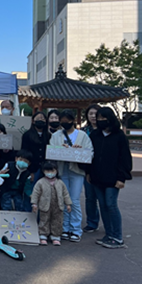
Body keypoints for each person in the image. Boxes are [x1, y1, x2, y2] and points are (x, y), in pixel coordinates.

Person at [88, 107, 133, 249]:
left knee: (111, 205)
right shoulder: (94, 135)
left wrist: (122, 177)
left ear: (110, 118)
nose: (100, 120)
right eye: (98, 117)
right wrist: (88, 172)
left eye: (103, 118)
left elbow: (125, 158)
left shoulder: (119, 136)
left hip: (113, 178)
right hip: (97, 177)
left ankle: (117, 237)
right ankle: (109, 234)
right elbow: (89, 155)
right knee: (102, 205)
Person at [49, 110, 93, 243]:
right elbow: (51, 151)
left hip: (77, 171)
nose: (65, 123)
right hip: (62, 170)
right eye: (62, 120)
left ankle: (76, 229)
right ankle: (65, 227)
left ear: (73, 120)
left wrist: (79, 151)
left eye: (67, 120)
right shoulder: (56, 135)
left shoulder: (82, 135)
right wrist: (59, 148)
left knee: (74, 200)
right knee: (63, 200)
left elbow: (90, 152)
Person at [31, 162, 72, 246]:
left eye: (52, 170)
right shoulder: (40, 182)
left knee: (57, 221)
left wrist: (68, 204)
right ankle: (43, 235)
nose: (50, 173)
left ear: (56, 171)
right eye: (47, 171)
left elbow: (65, 194)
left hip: (58, 205)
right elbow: (35, 193)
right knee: (44, 220)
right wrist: (34, 204)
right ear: (44, 171)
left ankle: (56, 236)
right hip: (45, 205)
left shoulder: (60, 182)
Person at [82, 104, 101, 233]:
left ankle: (109, 223)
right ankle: (92, 222)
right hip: (87, 168)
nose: (93, 116)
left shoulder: (105, 130)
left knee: (104, 199)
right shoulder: (83, 131)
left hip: (102, 168)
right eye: (91, 114)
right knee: (90, 197)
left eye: (96, 113)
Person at [21, 111, 52, 182]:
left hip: (46, 168)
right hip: (32, 167)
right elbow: (24, 152)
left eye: (43, 119)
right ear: (33, 121)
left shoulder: (48, 135)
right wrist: (29, 170)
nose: (40, 120)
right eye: (38, 118)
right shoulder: (27, 135)